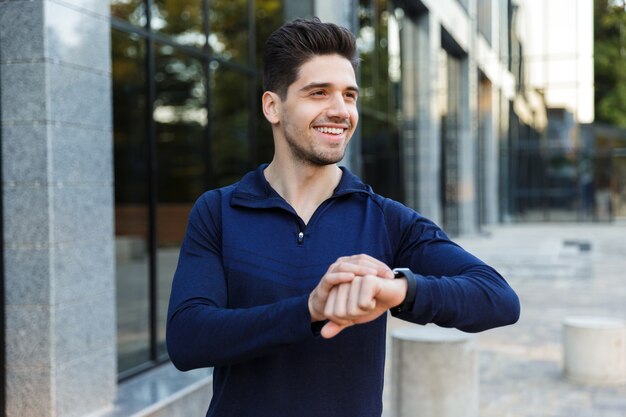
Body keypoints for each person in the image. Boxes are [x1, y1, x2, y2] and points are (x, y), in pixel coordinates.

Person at [166, 17, 520, 417]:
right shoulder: (218, 211)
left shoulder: (385, 218)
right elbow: (187, 338)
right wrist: (310, 311)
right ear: (273, 106)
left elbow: (498, 299)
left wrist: (401, 290)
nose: (340, 110)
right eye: (319, 93)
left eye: (349, 95)